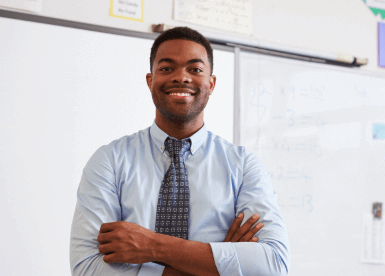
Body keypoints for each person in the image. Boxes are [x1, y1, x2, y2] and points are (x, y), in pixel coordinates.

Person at [70, 26, 290, 276]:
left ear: (211, 83)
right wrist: (218, 260)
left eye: (195, 69)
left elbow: (272, 266)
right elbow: (86, 269)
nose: (181, 77)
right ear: (150, 80)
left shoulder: (243, 166)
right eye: (166, 68)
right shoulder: (109, 161)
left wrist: (152, 246)